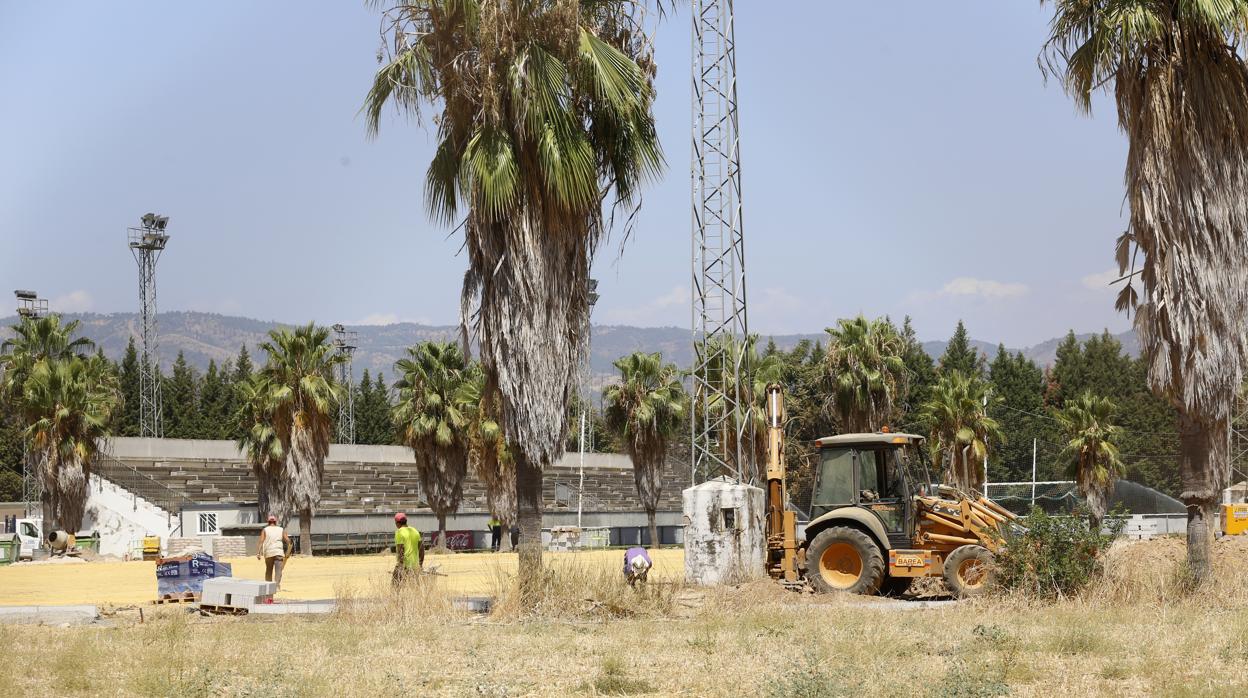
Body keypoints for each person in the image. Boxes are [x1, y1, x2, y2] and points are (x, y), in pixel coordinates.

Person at [256, 515, 292, 590]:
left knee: (269, 570)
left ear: (268, 522)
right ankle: (277, 586)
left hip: (268, 553)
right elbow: (288, 541)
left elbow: (261, 541)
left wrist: (258, 553)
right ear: (275, 522)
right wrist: (288, 550)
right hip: (278, 552)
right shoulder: (281, 529)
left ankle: (268, 586)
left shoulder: (265, 530)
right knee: (278, 570)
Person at [392, 512, 423, 588]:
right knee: (414, 588)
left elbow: (401, 550)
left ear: (397, 523)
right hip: (415, 566)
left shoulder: (399, 532)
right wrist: (420, 565)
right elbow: (422, 550)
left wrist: (400, 566)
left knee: (395, 587)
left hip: (404, 565)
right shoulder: (415, 531)